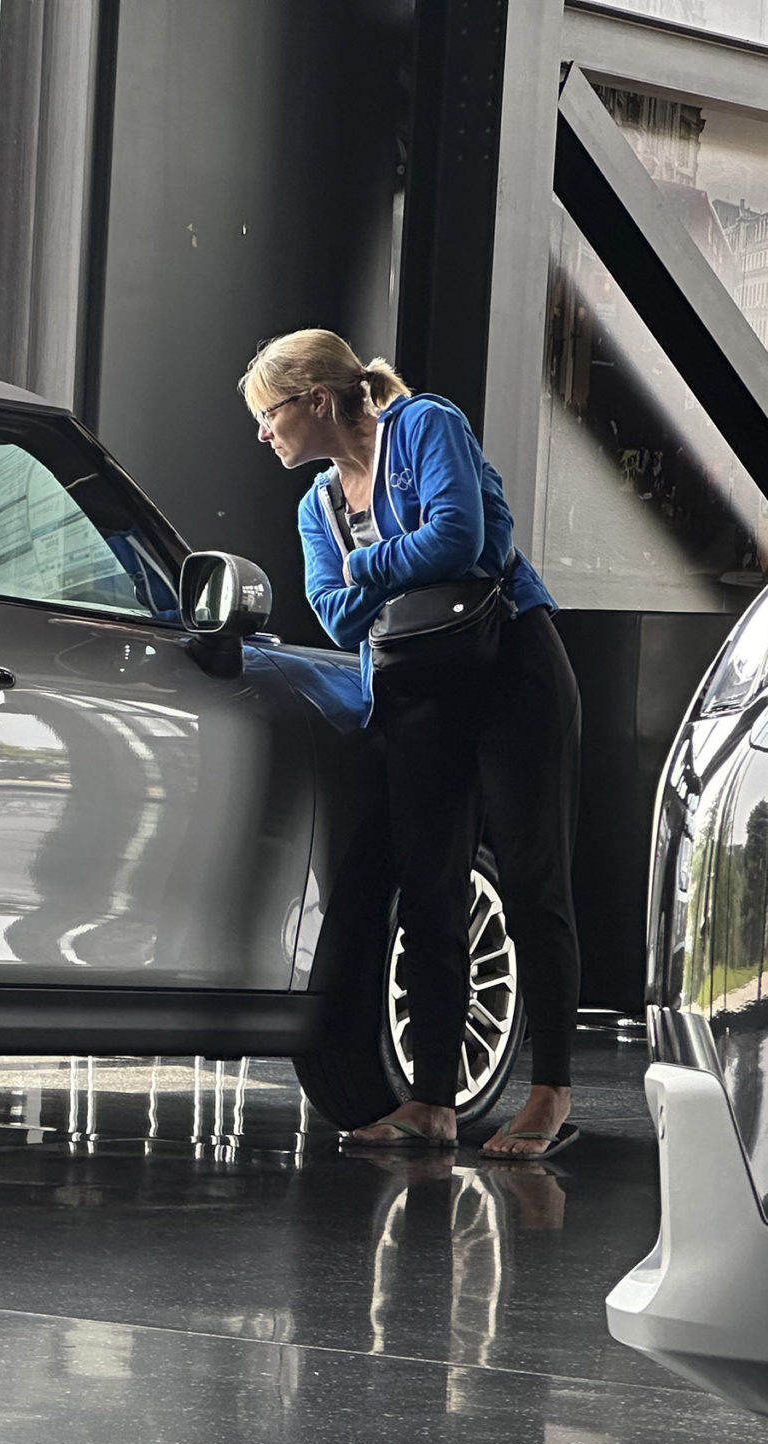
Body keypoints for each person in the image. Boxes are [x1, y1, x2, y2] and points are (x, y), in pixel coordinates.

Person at [240, 329, 582, 1160]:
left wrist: (369, 568)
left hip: (510, 666)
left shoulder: (426, 425)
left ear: (317, 399)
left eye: (269, 412)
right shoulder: (314, 504)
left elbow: (460, 541)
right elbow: (335, 611)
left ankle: (549, 1093)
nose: (263, 432)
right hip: (412, 685)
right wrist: (394, 566)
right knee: (431, 888)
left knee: (534, 876)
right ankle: (433, 1102)